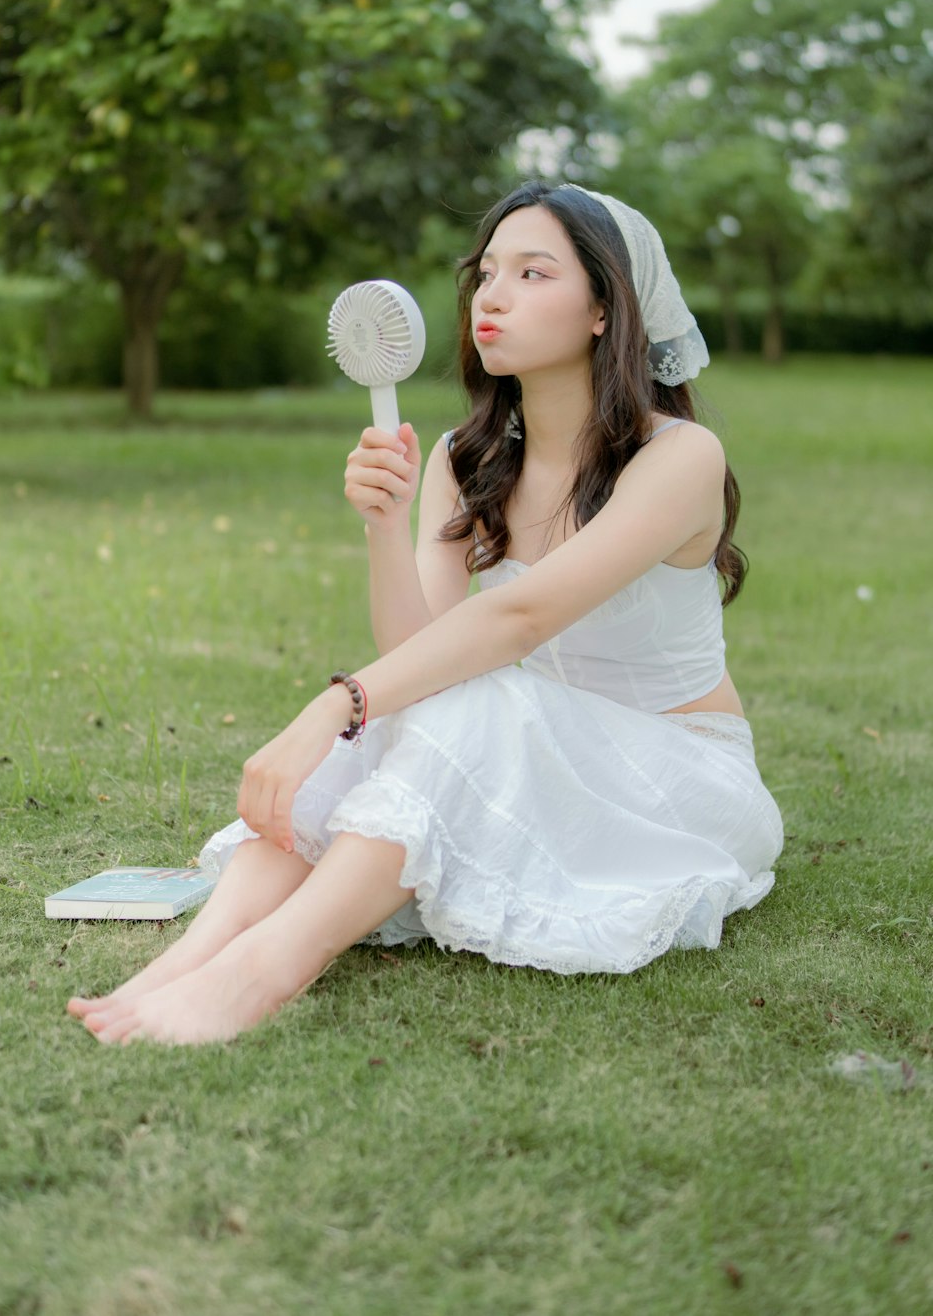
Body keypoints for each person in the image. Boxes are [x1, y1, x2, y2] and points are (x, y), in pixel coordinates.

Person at [69, 180, 783, 1045]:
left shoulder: (679, 458)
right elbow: (419, 654)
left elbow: (514, 622)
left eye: (533, 272)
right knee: (431, 704)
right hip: (538, 750)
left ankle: (262, 975)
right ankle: (194, 957)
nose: (494, 294)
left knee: (463, 698)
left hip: (678, 780)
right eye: (487, 273)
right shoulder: (467, 455)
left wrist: (334, 703)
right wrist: (386, 524)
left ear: (606, 309)